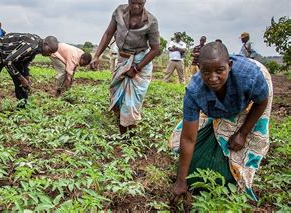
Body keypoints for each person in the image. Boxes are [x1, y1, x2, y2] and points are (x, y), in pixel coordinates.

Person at [170, 42, 273, 205]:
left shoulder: (250, 77)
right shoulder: (194, 91)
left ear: (229, 66)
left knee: (245, 142)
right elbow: (188, 139)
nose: (213, 78)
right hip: (221, 103)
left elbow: (261, 103)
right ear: (199, 68)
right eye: (206, 72)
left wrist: (242, 133)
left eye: (219, 71)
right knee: (193, 161)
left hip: (258, 87)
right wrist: (181, 181)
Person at [90, 0, 161, 135]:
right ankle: (123, 131)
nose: (136, 6)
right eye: (133, 2)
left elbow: (155, 49)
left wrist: (135, 69)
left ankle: (128, 137)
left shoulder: (151, 21)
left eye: (140, 3)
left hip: (140, 62)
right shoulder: (118, 12)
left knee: (131, 103)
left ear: (145, 1)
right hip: (123, 59)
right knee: (117, 96)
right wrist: (96, 55)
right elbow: (108, 34)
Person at [0, 33, 58, 112]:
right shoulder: (31, 45)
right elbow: (8, 62)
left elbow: (25, 62)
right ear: (45, 44)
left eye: (52, 53)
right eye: (50, 51)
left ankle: (22, 110)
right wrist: (22, 78)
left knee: (21, 83)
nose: (50, 54)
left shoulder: (37, 47)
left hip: (11, 58)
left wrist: (26, 77)